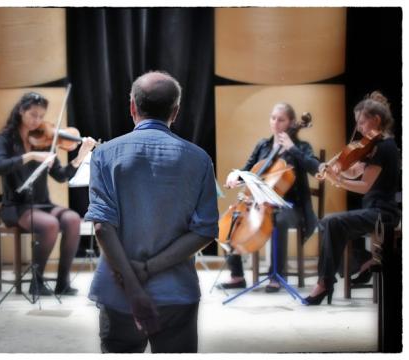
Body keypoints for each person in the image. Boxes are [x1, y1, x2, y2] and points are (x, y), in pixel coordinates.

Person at [84, 71, 219, 353]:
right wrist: (148, 269)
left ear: (132, 106)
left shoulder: (104, 154)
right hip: (176, 292)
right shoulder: (199, 158)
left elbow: (101, 227)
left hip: (118, 293)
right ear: (176, 111)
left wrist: (133, 289)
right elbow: (206, 231)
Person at [0, 92, 96, 296]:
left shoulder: (44, 139)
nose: (37, 121)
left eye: (41, 116)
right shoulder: (5, 138)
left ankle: (62, 282)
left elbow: (61, 175)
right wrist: (30, 155)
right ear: (21, 111)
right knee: (50, 224)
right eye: (33, 115)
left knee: (73, 219)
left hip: (42, 203)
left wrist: (81, 155)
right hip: (15, 206)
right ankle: (36, 282)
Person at [306, 91, 400, 305]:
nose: (358, 128)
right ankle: (361, 263)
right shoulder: (371, 147)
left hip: (383, 213)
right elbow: (354, 172)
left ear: (376, 120)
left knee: (332, 222)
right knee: (328, 224)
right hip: (372, 211)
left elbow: (365, 186)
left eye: (362, 122)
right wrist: (336, 170)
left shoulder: (384, 148)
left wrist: (337, 181)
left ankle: (324, 283)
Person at [217, 103, 320, 292]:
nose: (276, 122)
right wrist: (235, 175)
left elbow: (315, 169)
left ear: (290, 122)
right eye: (273, 118)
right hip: (260, 204)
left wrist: (292, 148)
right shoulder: (263, 145)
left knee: (278, 221)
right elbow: (248, 169)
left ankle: (276, 275)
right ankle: (237, 275)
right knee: (230, 220)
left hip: (292, 207)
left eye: (281, 119)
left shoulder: (301, 147)